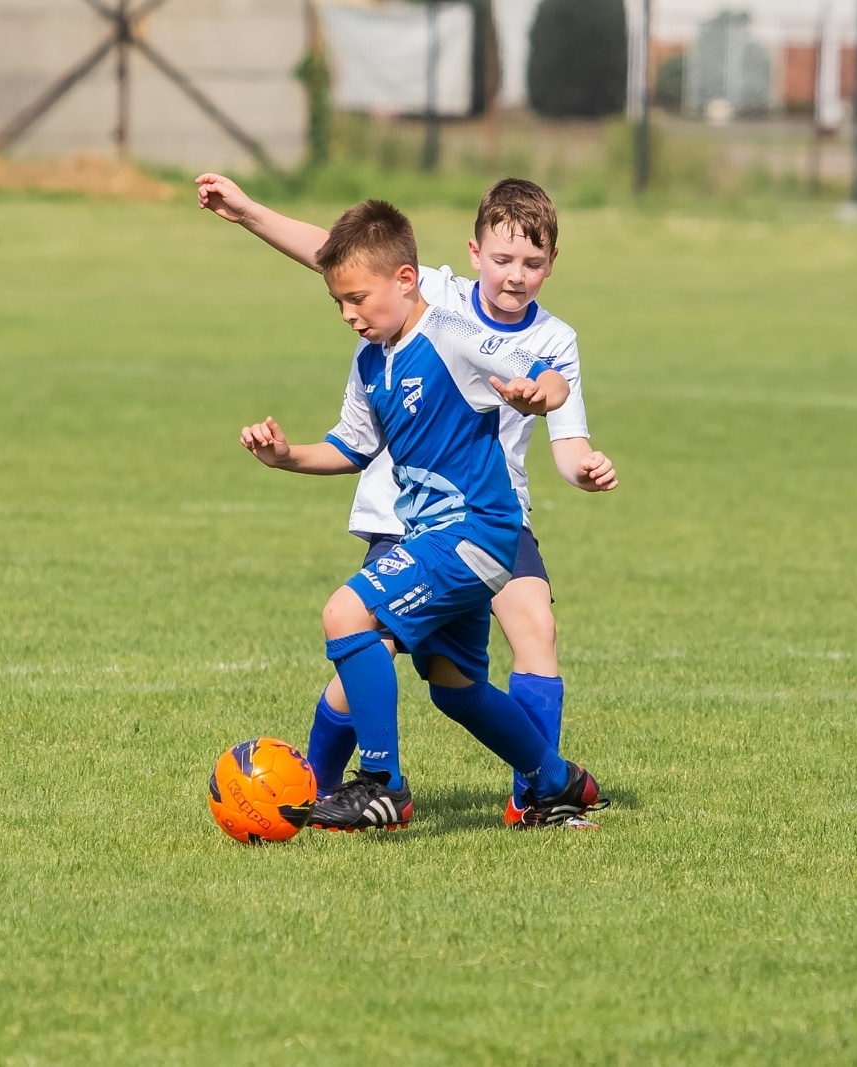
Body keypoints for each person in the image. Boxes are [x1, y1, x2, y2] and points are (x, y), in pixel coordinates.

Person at [201, 173, 615, 824]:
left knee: (348, 616)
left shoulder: (449, 331)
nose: (347, 312)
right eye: (341, 302)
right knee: (454, 687)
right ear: (474, 253)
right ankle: (554, 778)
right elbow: (352, 443)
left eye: (531, 263)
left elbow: (542, 377)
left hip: (475, 527)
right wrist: (286, 457)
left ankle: (383, 783)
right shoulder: (374, 358)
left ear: (405, 281)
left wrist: (542, 395)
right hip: (425, 528)